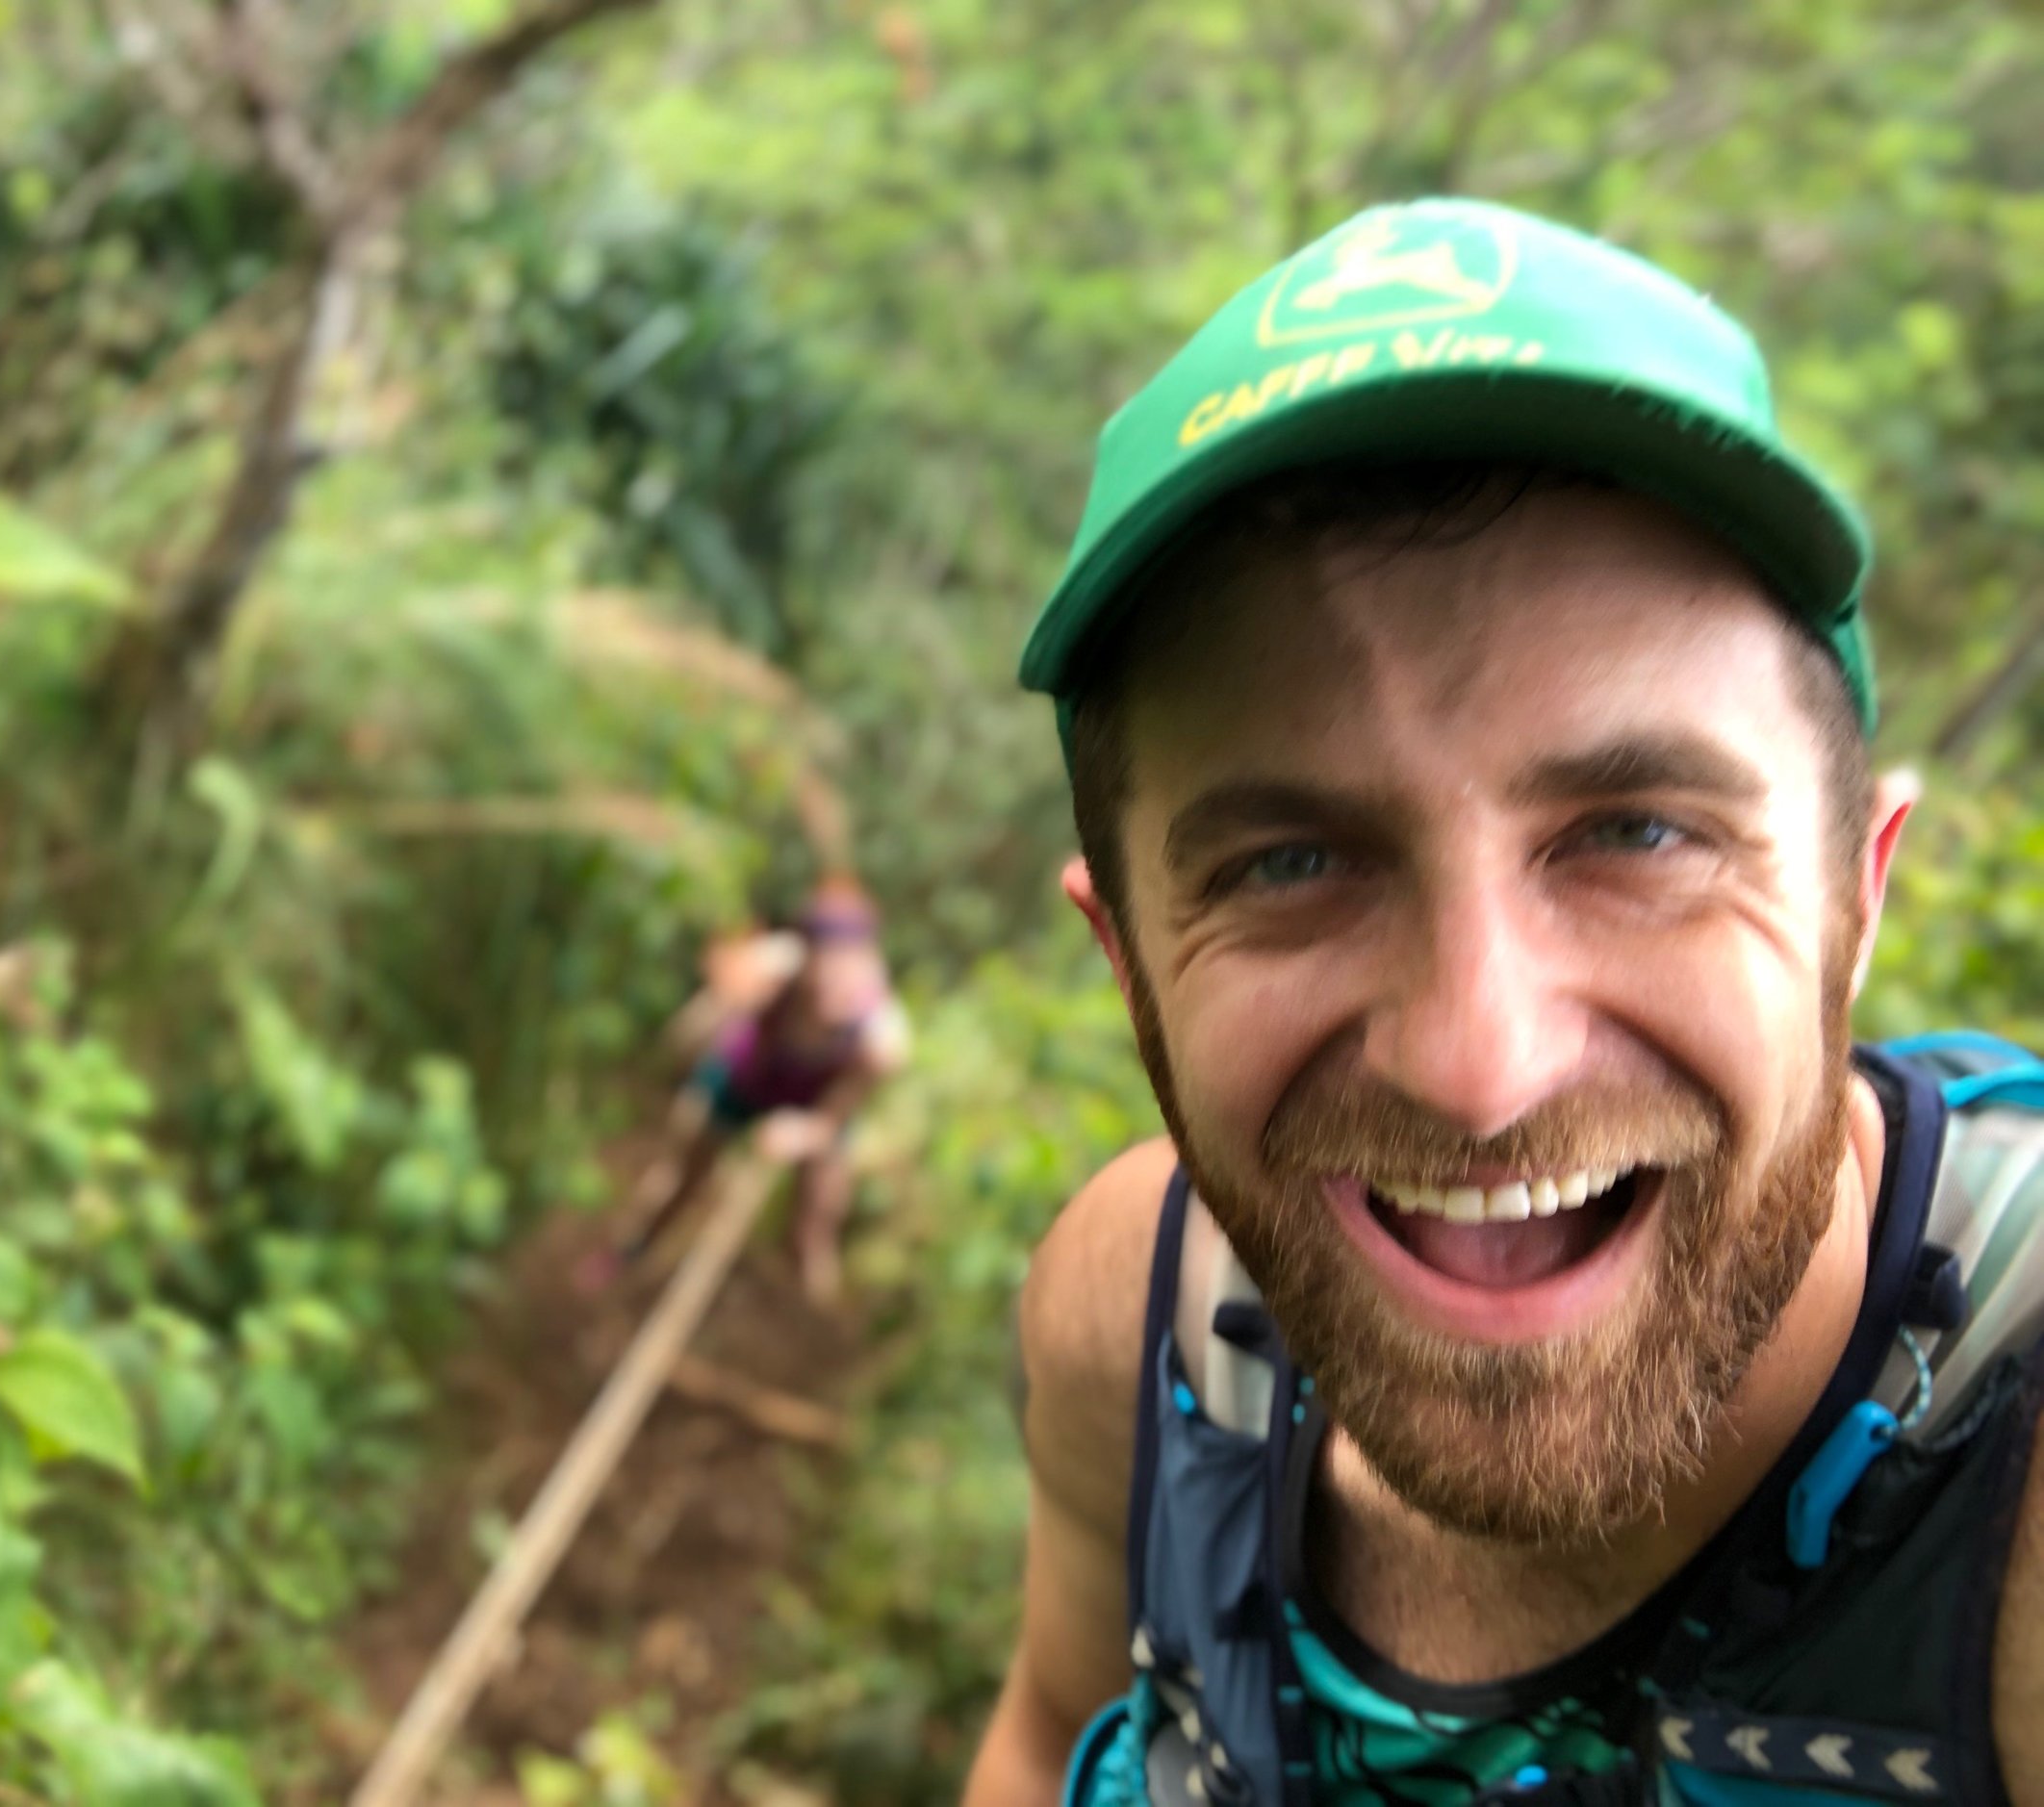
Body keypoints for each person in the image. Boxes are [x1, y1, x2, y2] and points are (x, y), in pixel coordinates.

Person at [965, 197, 2044, 1806]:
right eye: (1290, 862)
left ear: (1854, 894)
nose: (1484, 1067)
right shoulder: (1141, 1319)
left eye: (1638, 833)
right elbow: (1055, 1719)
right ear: (1128, 962)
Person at [585, 876, 908, 1306]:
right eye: (827, 966)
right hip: (749, 1077)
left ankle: (810, 1299)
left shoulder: (880, 1040)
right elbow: (710, 1008)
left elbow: (834, 1117)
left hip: (815, 1105)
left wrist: (803, 1133)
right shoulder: (774, 966)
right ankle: (630, 1253)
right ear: (808, 954)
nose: (837, 982)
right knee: (686, 1175)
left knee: (820, 1205)